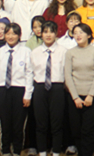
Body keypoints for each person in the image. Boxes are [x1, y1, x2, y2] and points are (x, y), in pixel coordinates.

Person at [0, 23, 33, 156]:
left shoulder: (26, 52)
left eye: (14, 33)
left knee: (19, 125)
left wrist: (28, 94)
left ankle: (17, 151)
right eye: (8, 33)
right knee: (4, 124)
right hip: (2, 90)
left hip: (20, 90)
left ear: (19, 35)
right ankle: (5, 151)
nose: (11, 36)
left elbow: (29, 74)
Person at [64, 23, 94, 156]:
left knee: (89, 130)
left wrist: (90, 95)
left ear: (89, 35)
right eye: (75, 33)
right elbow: (68, 76)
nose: (78, 35)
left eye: (81, 32)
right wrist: (75, 97)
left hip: (93, 96)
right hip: (74, 97)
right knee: (76, 129)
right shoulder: (70, 52)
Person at [31, 21, 68, 156]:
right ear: (41, 34)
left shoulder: (63, 51)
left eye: (51, 32)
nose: (48, 35)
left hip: (57, 87)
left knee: (57, 122)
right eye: (45, 32)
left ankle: (56, 151)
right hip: (40, 87)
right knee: (40, 123)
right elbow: (31, 73)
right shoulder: (35, 52)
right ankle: (42, 152)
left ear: (56, 33)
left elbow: (66, 72)